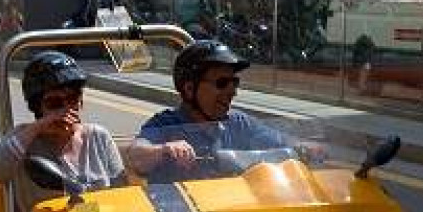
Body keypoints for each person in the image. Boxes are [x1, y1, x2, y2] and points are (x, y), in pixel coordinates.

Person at [0, 51, 126, 212]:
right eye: (54, 103)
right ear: (38, 107)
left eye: (72, 99)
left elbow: (122, 195)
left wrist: (89, 211)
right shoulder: (22, 142)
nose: (65, 110)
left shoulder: (98, 137)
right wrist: (36, 128)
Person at [127, 40, 298, 182]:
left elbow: (281, 142)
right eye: (222, 83)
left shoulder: (238, 123)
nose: (232, 92)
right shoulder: (166, 124)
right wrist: (164, 149)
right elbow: (136, 154)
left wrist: (307, 148)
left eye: (234, 83)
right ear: (189, 89)